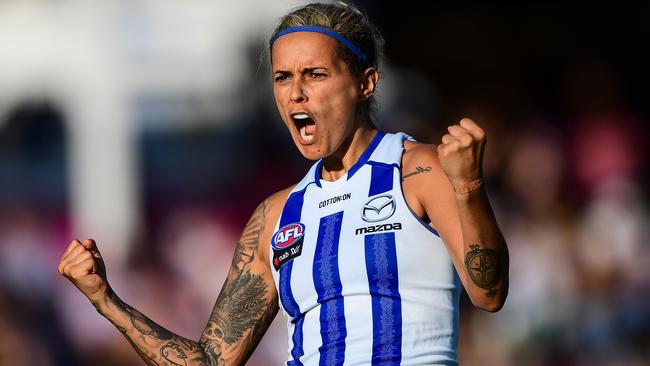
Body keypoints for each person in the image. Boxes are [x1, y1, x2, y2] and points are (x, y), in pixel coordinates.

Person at [57, 2, 509, 365]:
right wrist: (105, 299)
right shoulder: (276, 215)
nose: (296, 93)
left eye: (315, 74)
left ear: (366, 83)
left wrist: (468, 186)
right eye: (282, 77)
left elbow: (488, 293)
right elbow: (210, 361)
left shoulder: (418, 170)